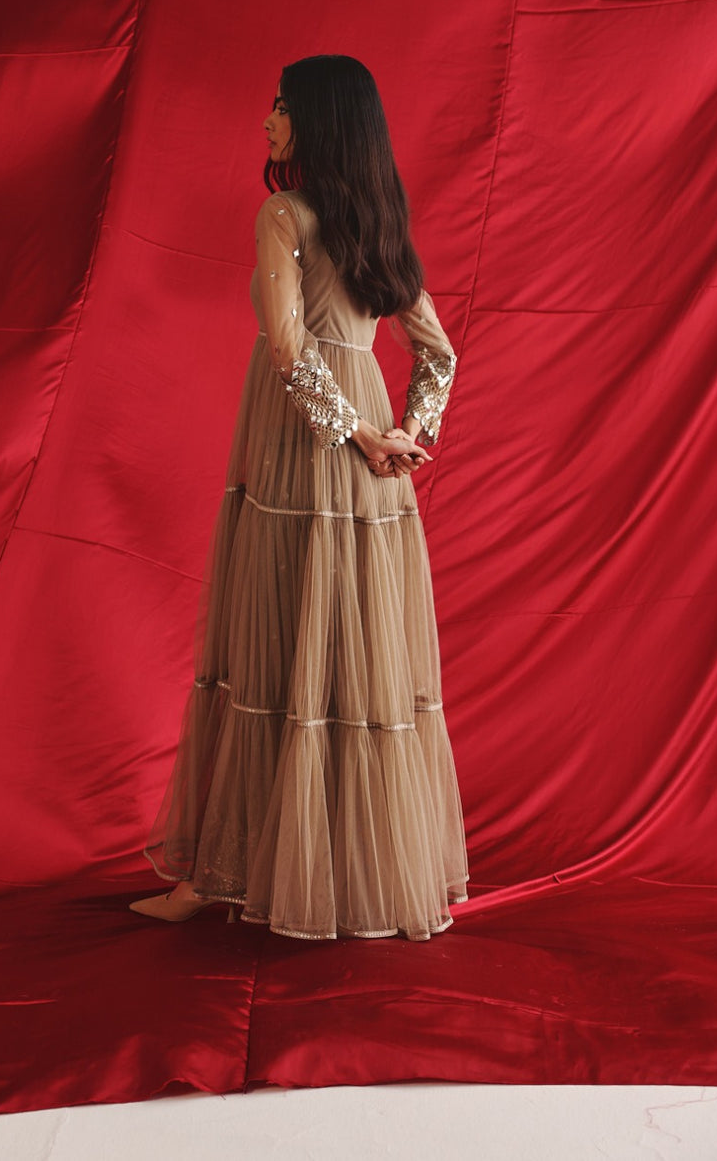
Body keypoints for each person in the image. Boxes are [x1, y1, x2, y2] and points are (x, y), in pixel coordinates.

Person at [130, 54, 469, 940]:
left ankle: (221, 875)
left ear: (317, 120)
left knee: (274, 644)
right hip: (371, 460)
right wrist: (403, 435)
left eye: (280, 107)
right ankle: (348, 874)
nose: (267, 121)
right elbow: (437, 354)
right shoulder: (377, 222)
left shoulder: (284, 215)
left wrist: (359, 436)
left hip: (304, 446)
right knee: (352, 651)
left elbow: (287, 346)